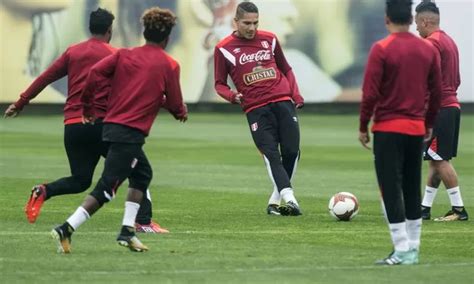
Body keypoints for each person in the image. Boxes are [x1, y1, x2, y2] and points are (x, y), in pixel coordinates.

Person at [3, 8, 168, 233]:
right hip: (101, 126)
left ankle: (44, 190)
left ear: (90, 27)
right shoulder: (115, 55)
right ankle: (144, 222)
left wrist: (21, 102)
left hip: (73, 127)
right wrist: (168, 102)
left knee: (80, 180)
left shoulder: (73, 52)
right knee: (138, 169)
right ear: (110, 30)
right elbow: (139, 88)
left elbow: (44, 78)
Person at [51, 7, 187, 253]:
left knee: (142, 174)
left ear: (144, 32)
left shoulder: (124, 54)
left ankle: (127, 231)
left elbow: (94, 73)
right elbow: (176, 104)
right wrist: (180, 111)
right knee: (107, 186)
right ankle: (66, 227)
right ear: (167, 38)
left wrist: (87, 105)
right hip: (129, 134)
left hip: (111, 126)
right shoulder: (169, 64)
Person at [358, 0, 441, 265]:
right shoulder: (426, 50)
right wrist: (428, 122)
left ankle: (401, 247)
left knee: (390, 188)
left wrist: (363, 126)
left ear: (386, 19)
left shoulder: (381, 49)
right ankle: (413, 248)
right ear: (410, 18)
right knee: (411, 186)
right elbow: (436, 92)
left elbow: (370, 93)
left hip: (387, 128)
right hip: (415, 128)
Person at [214, 1, 303, 216]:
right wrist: (232, 96)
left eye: (255, 23)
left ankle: (275, 200)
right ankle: (290, 198)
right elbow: (219, 84)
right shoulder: (223, 48)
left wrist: (296, 94)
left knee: (292, 151)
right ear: (235, 22)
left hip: (283, 101)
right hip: (255, 109)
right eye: (246, 23)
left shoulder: (270, 39)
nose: (251, 28)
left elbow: (286, 69)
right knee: (271, 153)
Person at [414, 1, 468, 222]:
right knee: (435, 159)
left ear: (426, 21)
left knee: (440, 160)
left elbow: (427, 82)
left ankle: (458, 209)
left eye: (417, 23)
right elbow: (456, 79)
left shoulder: (430, 44)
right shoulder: (449, 42)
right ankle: (424, 208)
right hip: (451, 106)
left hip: (439, 110)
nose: (416, 28)